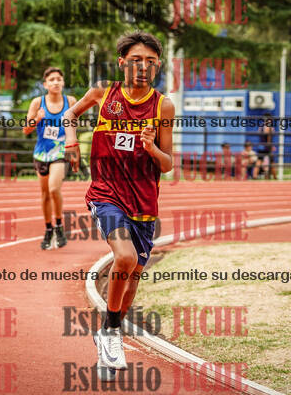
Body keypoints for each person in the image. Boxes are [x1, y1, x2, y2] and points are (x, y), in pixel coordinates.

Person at [62, 31, 174, 379]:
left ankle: (108, 335)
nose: (143, 67)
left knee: (133, 276)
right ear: (122, 62)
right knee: (123, 257)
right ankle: (111, 333)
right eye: (136, 60)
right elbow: (70, 114)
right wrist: (71, 142)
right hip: (106, 193)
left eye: (151, 61)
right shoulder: (103, 92)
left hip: (144, 201)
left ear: (158, 66)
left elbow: (168, 164)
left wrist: (151, 148)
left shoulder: (163, 106)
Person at [23, 67, 76, 250]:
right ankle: (48, 229)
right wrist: (37, 118)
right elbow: (26, 129)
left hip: (60, 152)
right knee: (45, 194)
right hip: (41, 153)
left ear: (63, 82)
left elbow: (74, 127)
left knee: (54, 188)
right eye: (52, 79)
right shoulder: (38, 102)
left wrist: (73, 147)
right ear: (45, 84)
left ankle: (59, 225)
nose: (55, 82)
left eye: (58, 79)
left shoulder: (70, 101)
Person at [258, 113, 277, 179]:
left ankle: (254, 176)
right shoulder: (269, 127)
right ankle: (275, 177)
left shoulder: (261, 127)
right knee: (271, 162)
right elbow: (269, 137)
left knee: (259, 161)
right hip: (267, 147)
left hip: (261, 146)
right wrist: (271, 146)